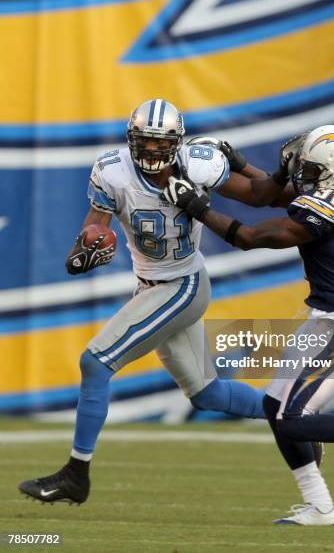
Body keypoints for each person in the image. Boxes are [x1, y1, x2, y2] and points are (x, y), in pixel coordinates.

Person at [18, 98, 294, 505]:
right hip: (153, 286)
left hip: (182, 285)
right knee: (208, 396)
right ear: (131, 141)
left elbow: (258, 195)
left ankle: (76, 475)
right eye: (143, 143)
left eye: (158, 144)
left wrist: (246, 163)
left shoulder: (197, 164)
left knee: (95, 363)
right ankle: (298, 420)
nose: (149, 151)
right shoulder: (111, 171)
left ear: (176, 143)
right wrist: (85, 247)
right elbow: (96, 225)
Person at [162, 124, 334, 526]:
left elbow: (251, 236)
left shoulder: (329, 207)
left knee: (293, 418)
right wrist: (242, 165)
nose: (301, 169)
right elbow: (268, 196)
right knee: (276, 408)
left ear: (333, 171)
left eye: (310, 165)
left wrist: (198, 207)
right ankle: (320, 506)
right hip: (330, 314)